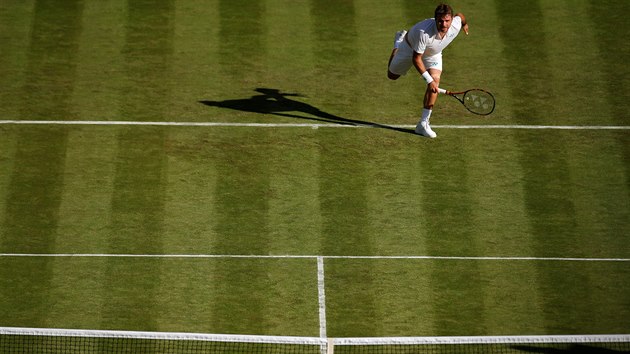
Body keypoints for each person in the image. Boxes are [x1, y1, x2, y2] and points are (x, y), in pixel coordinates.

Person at [387, 4, 469, 138]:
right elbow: (416, 59)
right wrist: (428, 80)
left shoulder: (455, 24)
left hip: (433, 54)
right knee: (392, 75)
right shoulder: (423, 32)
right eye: (440, 21)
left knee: (436, 80)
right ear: (435, 19)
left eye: (447, 21)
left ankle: (423, 124)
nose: (444, 24)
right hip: (410, 49)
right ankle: (398, 43)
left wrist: (465, 24)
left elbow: (460, 16)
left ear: (451, 20)